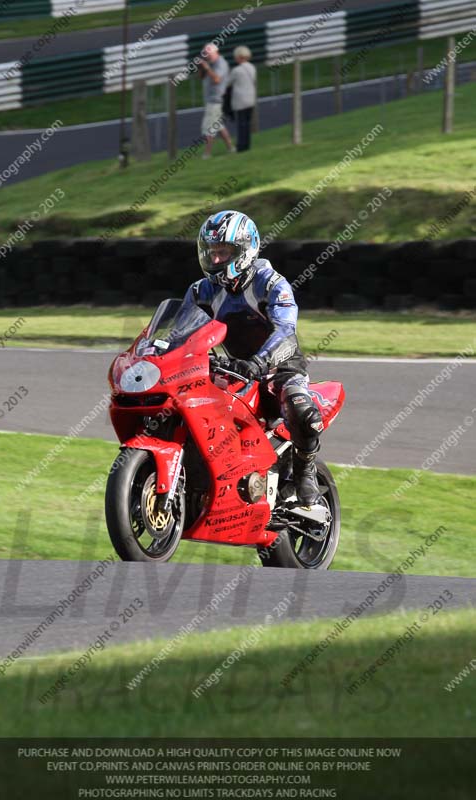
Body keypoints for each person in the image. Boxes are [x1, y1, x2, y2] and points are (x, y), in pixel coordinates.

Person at [180, 210, 324, 506]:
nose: (216, 260)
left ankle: (304, 471)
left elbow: (286, 330)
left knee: (302, 412)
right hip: (234, 369)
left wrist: (259, 363)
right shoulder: (201, 291)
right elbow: (179, 332)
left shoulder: (270, 283)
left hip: (280, 367)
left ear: (246, 250)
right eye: (212, 252)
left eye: (224, 252)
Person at [198, 43, 235, 159]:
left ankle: (207, 153)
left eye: (208, 54)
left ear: (215, 52)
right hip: (211, 99)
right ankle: (231, 147)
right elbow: (201, 77)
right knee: (218, 126)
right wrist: (201, 68)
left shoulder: (220, 64)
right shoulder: (211, 63)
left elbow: (217, 79)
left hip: (216, 100)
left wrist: (207, 67)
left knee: (209, 127)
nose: (206, 57)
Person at [227, 45, 257, 152]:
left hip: (240, 100)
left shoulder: (237, 70)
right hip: (251, 98)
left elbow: (228, 83)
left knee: (241, 124)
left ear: (239, 56)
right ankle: (247, 145)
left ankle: (241, 146)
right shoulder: (252, 67)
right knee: (247, 123)